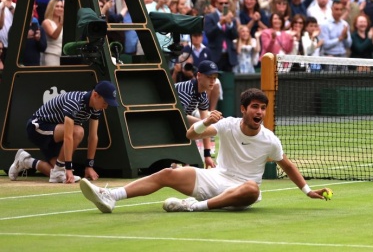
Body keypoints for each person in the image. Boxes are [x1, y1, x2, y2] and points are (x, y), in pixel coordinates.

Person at [80, 88, 331, 213]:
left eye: (263, 108)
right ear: (244, 109)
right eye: (255, 107)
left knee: (254, 189)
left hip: (242, 189)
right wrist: (206, 122)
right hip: (215, 178)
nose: (259, 113)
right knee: (168, 172)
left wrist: (308, 191)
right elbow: (191, 135)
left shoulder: (270, 140)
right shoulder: (227, 125)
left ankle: (194, 207)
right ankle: (111, 197)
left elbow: (285, 164)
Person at [8, 81, 119, 184]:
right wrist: (68, 168)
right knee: (78, 131)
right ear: (95, 95)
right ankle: (60, 168)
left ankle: (25, 161)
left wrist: (89, 165)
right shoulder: (74, 102)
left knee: (56, 173)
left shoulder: (96, 108)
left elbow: (93, 137)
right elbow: (68, 136)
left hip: (56, 133)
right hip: (37, 128)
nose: (106, 106)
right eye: (105, 102)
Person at [175, 60, 220, 169]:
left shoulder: (203, 94)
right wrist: (205, 122)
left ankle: (184, 163)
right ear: (199, 76)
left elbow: (205, 125)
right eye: (209, 77)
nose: (212, 81)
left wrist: (207, 155)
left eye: (214, 78)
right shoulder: (186, 90)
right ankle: (181, 163)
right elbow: (179, 117)